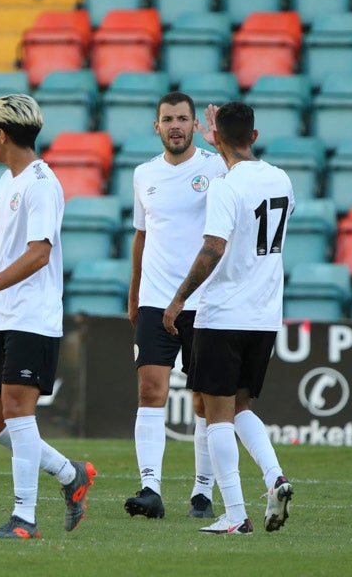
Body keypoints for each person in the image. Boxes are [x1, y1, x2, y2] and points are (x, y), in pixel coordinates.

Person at [0, 93, 96, 539]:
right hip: (2, 315)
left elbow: (39, 254)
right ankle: (71, 475)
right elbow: (4, 251)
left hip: (33, 317)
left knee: (17, 411)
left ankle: (24, 519)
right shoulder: (7, 182)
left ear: (1, 135)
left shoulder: (41, 183)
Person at [163, 101, 294, 536]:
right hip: (264, 314)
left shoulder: (224, 185)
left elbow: (214, 247)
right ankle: (275, 476)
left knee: (215, 413)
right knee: (238, 407)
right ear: (254, 137)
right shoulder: (281, 179)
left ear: (213, 137)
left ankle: (236, 515)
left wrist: (179, 298)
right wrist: (219, 136)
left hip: (223, 314)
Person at [124, 92, 228, 520]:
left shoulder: (216, 167)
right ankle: (150, 488)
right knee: (151, 390)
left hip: (204, 301)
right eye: (168, 119)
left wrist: (220, 141)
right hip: (154, 299)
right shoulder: (143, 174)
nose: (176, 126)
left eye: (183, 119)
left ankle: (202, 492)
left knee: (203, 399)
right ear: (157, 126)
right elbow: (142, 236)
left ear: (193, 125)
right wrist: (133, 293)